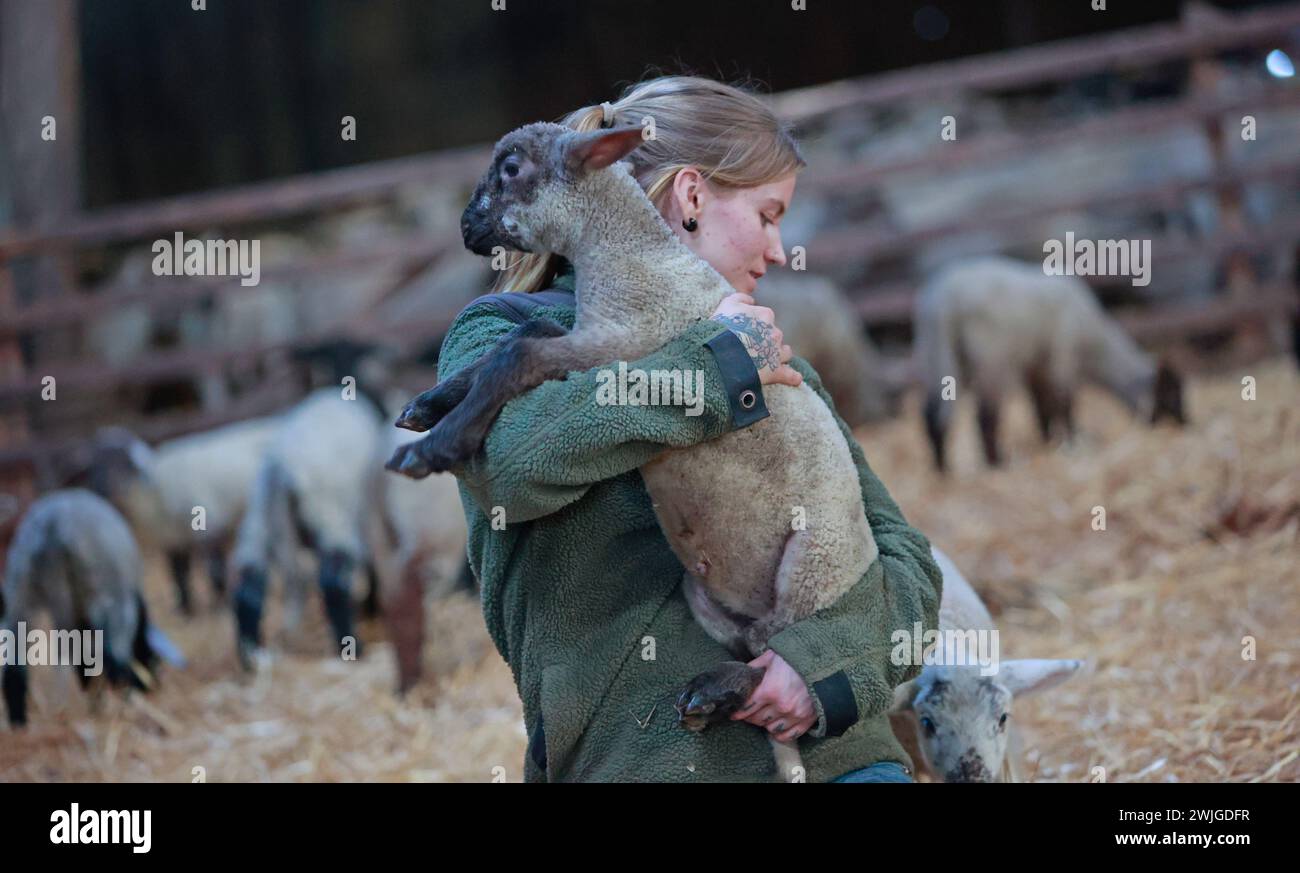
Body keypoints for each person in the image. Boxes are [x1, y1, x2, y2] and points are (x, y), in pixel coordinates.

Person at [437, 75, 942, 782]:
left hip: (838, 758)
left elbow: (907, 562)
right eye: (767, 215)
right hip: (655, 756)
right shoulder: (506, 335)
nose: (776, 250)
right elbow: (512, 467)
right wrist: (710, 369)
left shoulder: (767, 355)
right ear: (693, 198)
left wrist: (820, 667)